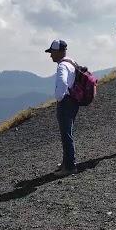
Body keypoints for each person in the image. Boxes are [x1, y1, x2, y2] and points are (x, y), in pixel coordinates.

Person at [45, 39, 79, 177]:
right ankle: (66, 162)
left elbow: (62, 84)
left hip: (66, 102)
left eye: (52, 52)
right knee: (67, 133)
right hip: (74, 101)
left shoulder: (62, 67)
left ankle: (70, 166)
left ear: (59, 52)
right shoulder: (71, 63)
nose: (50, 55)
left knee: (66, 135)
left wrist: (59, 98)